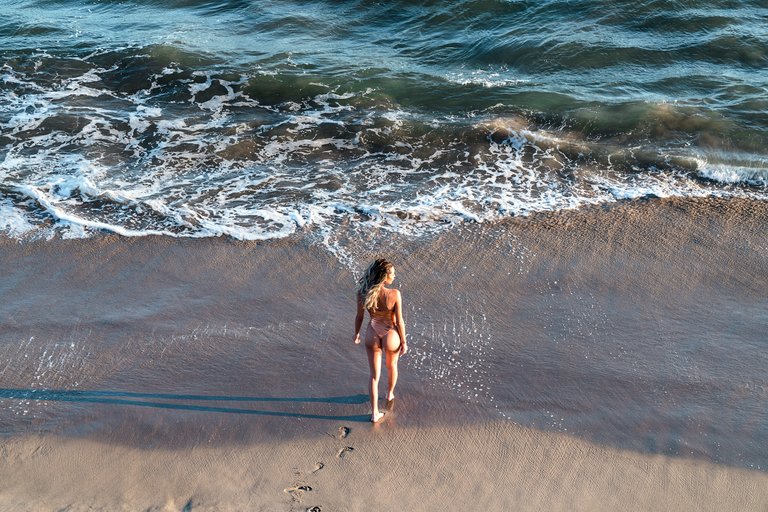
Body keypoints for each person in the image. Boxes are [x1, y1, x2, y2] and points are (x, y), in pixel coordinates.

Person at [353, 258, 408, 423]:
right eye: (392, 273)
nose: (395, 275)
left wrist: (356, 334)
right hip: (391, 335)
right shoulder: (394, 294)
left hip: (372, 334)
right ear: (384, 276)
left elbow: (359, 316)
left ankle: (374, 413)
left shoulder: (363, 293)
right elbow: (399, 321)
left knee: (373, 376)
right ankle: (389, 393)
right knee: (392, 366)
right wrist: (404, 342)